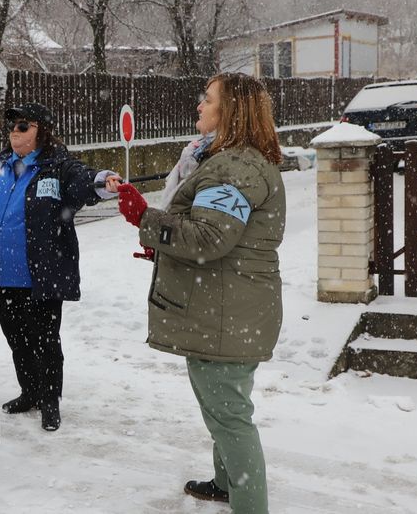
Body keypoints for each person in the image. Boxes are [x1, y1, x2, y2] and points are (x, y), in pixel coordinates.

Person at [105, 73, 285, 513]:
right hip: (222, 309)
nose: (199, 107)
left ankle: (249, 505)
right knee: (219, 410)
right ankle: (227, 483)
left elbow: (209, 240)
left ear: (231, 112)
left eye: (208, 100)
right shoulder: (226, 160)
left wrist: (145, 218)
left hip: (226, 315)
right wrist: (160, 243)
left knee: (230, 419)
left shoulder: (236, 167)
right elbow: (220, 238)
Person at [0, 102, 121, 432]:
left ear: (41, 132)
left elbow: (82, 179)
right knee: (16, 336)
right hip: (2, 273)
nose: (14, 133)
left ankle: (50, 401)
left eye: (23, 126)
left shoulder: (56, 167)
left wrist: (102, 180)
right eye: (12, 127)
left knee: (45, 339)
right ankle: (29, 392)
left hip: (40, 275)